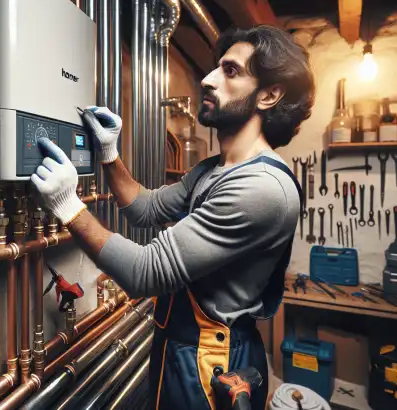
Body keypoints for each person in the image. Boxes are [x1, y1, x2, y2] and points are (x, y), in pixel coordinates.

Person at [31, 25, 314, 410]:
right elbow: (146, 207)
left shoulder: (261, 188)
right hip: (180, 345)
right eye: (216, 68)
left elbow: (144, 273)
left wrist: (68, 206)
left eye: (230, 71)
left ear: (269, 95)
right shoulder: (214, 169)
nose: (208, 79)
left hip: (215, 359)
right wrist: (109, 153)